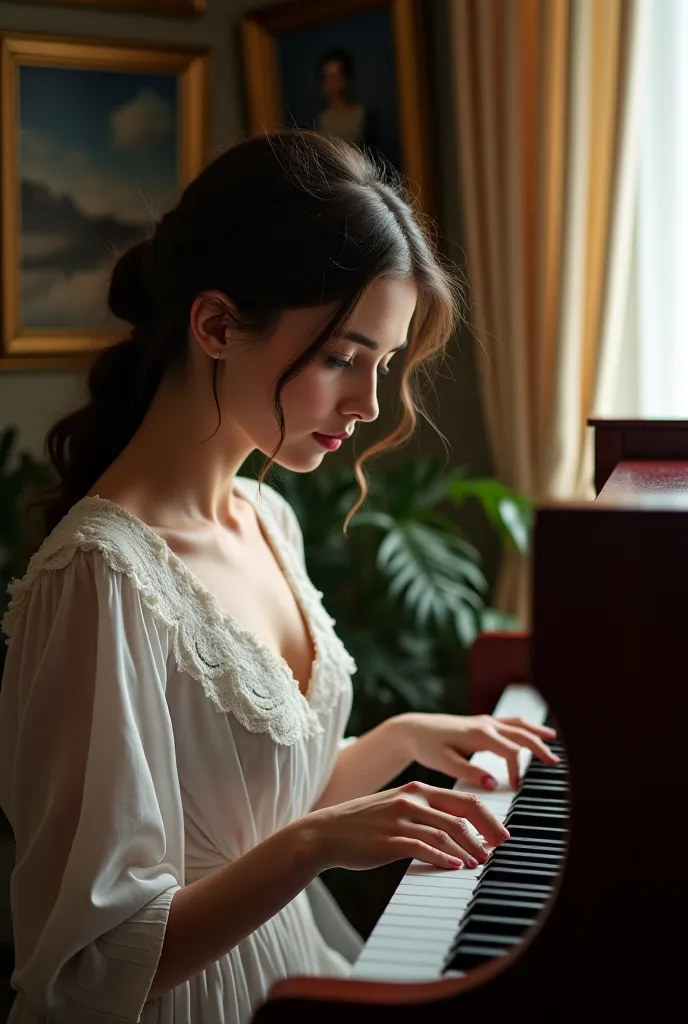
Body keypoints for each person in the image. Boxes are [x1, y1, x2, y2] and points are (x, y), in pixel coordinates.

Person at [0, 131, 557, 1024]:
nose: (369, 405)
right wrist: (314, 847)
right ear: (217, 325)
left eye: (383, 364)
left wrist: (394, 741)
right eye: (343, 357)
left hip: (288, 972)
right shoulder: (99, 579)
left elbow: (235, 803)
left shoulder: (268, 516)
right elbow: (89, 966)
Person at [315, 49, 370, 149]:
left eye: (335, 78)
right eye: (326, 78)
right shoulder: (319, 121)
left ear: (346, 79)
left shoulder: (362, 115)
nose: (331, 85)